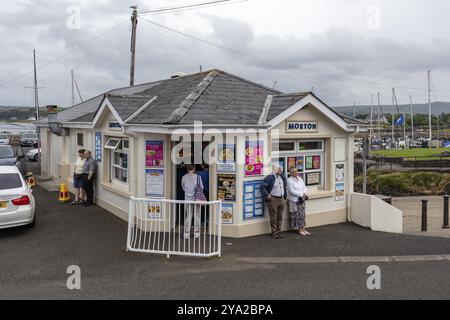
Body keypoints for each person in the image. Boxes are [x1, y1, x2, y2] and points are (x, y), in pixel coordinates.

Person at [260, 164, 287, 239]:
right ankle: (274, 232)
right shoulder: (269, 178)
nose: (281, 171)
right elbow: (262, 187)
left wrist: (285, 196)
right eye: (279, 169)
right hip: (273, 199)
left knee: (280, 216)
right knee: (273, 217)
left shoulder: (282, 176)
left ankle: (279, 231)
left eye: (280, 169)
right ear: (275, 170)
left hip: (281, 199)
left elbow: (285, 185)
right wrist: (267, 195)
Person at [181, 164, 203, 239]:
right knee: (197, 215)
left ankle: (186, 233)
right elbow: (201, 187)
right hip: (196, 199)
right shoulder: (198, 177)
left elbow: (183, 187)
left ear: (187, 169)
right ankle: (197, 233)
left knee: (188, 215)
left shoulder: (184, 177)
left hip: (187, 199)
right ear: (194, 169)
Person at [287, 167, 310, 236]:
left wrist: (304, 193)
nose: (295, 172)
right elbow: (291, 191)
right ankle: (299, 229)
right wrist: (301, 194)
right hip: (294, 200)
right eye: (293, 171)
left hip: (301, 199)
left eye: (296, 171)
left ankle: (303, 228)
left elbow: (304, 187)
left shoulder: (300, 179)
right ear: (290, 173)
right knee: (297, 215)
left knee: (303, 215)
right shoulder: (289, 180)